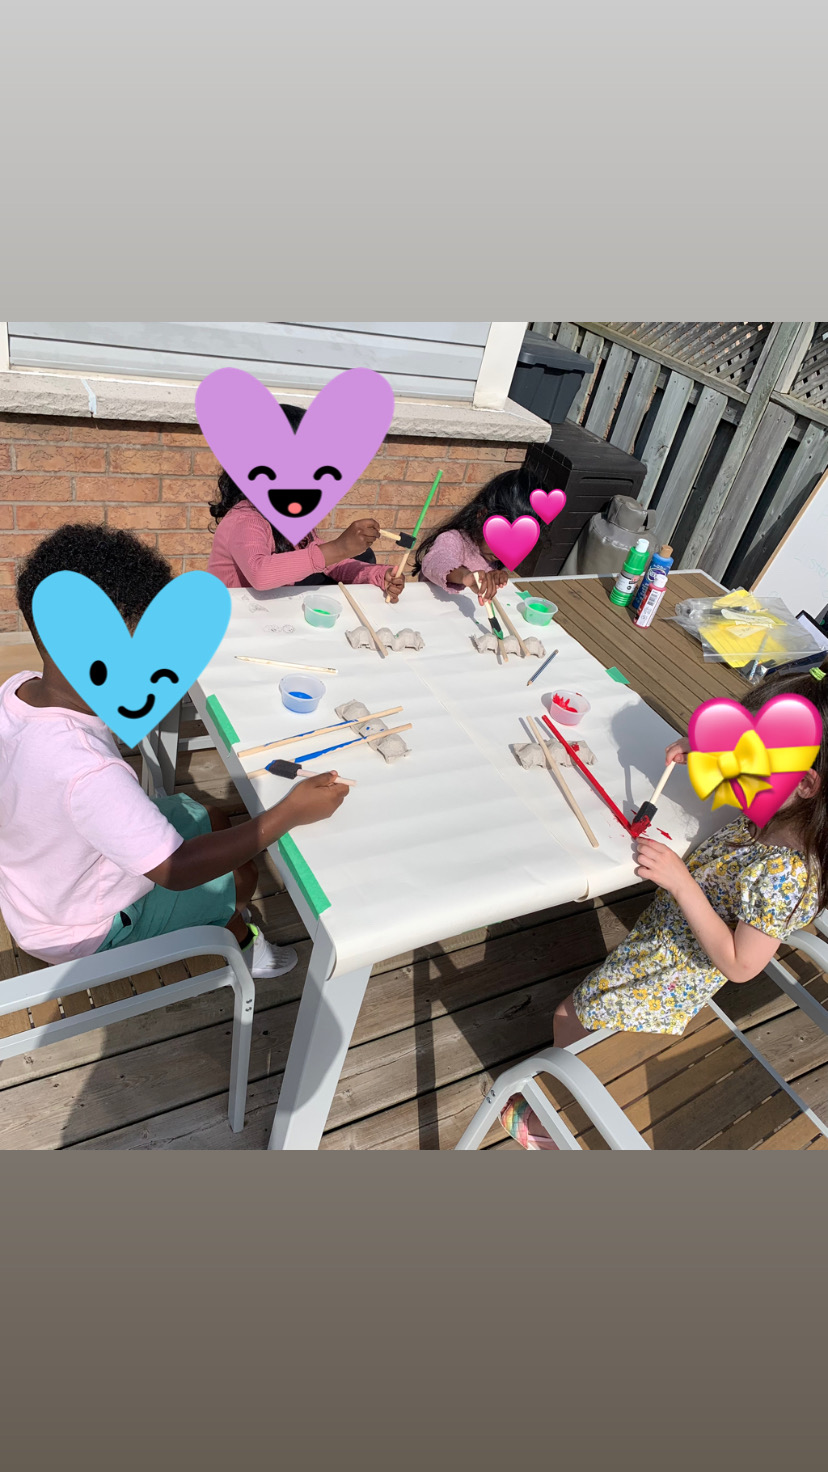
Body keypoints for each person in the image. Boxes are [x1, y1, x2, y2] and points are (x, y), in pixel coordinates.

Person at [500, 664, 828, 1149]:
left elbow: (742, 965)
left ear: (804, 784)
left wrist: (680, 882)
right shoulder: (779, 813)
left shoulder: (785, 874)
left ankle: (555, 1122)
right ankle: (566, 1095)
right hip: (663, 944)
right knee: (584, 1023)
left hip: (672, 971)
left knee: (572, 1018)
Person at [0, 524, 349, 978]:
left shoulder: (18, 689)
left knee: (214, 818)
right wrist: (289, 813)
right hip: (81, 929)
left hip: (37, 885)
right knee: (242, 876)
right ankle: (239, 938)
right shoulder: (89, 770)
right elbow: (177, 870)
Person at [206, 402, 405, 600]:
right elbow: (260, 573)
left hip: (271, 609)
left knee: (365, 557)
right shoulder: (246, 518)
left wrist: (378, 575)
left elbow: (329, 562)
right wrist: (339, 547)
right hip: (233, 613)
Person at [415, 467, 536, 605]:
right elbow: (435, 560)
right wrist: (467, 576)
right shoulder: (454, 539)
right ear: (482, 516)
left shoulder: (496, 558)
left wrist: (496, 576)